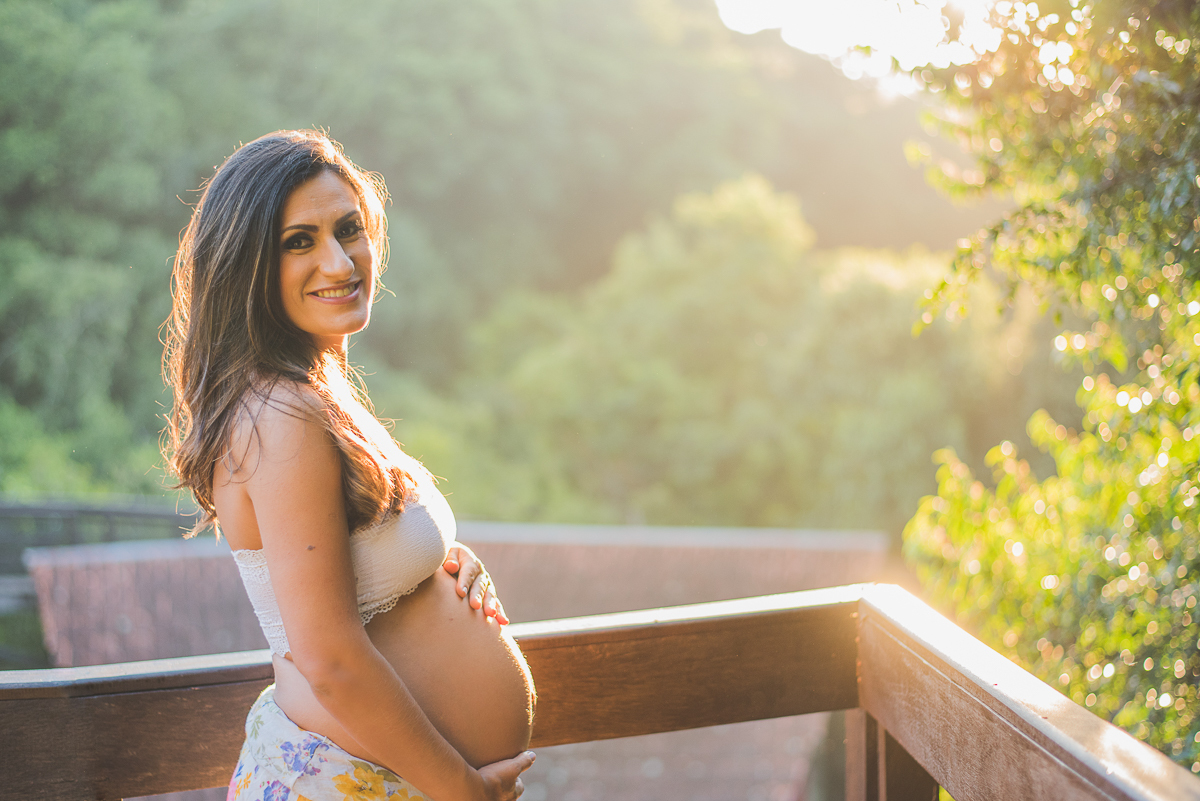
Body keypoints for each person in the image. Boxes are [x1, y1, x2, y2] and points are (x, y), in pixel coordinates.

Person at [163, 130, 536, 801]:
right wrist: (463, 790)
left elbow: (349, 572)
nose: (339, 261)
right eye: (298, 241)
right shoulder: (280, 413)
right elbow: (330, 659)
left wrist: (434, 562)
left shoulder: (310, 392)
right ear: (246, 265)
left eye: (349, 229)